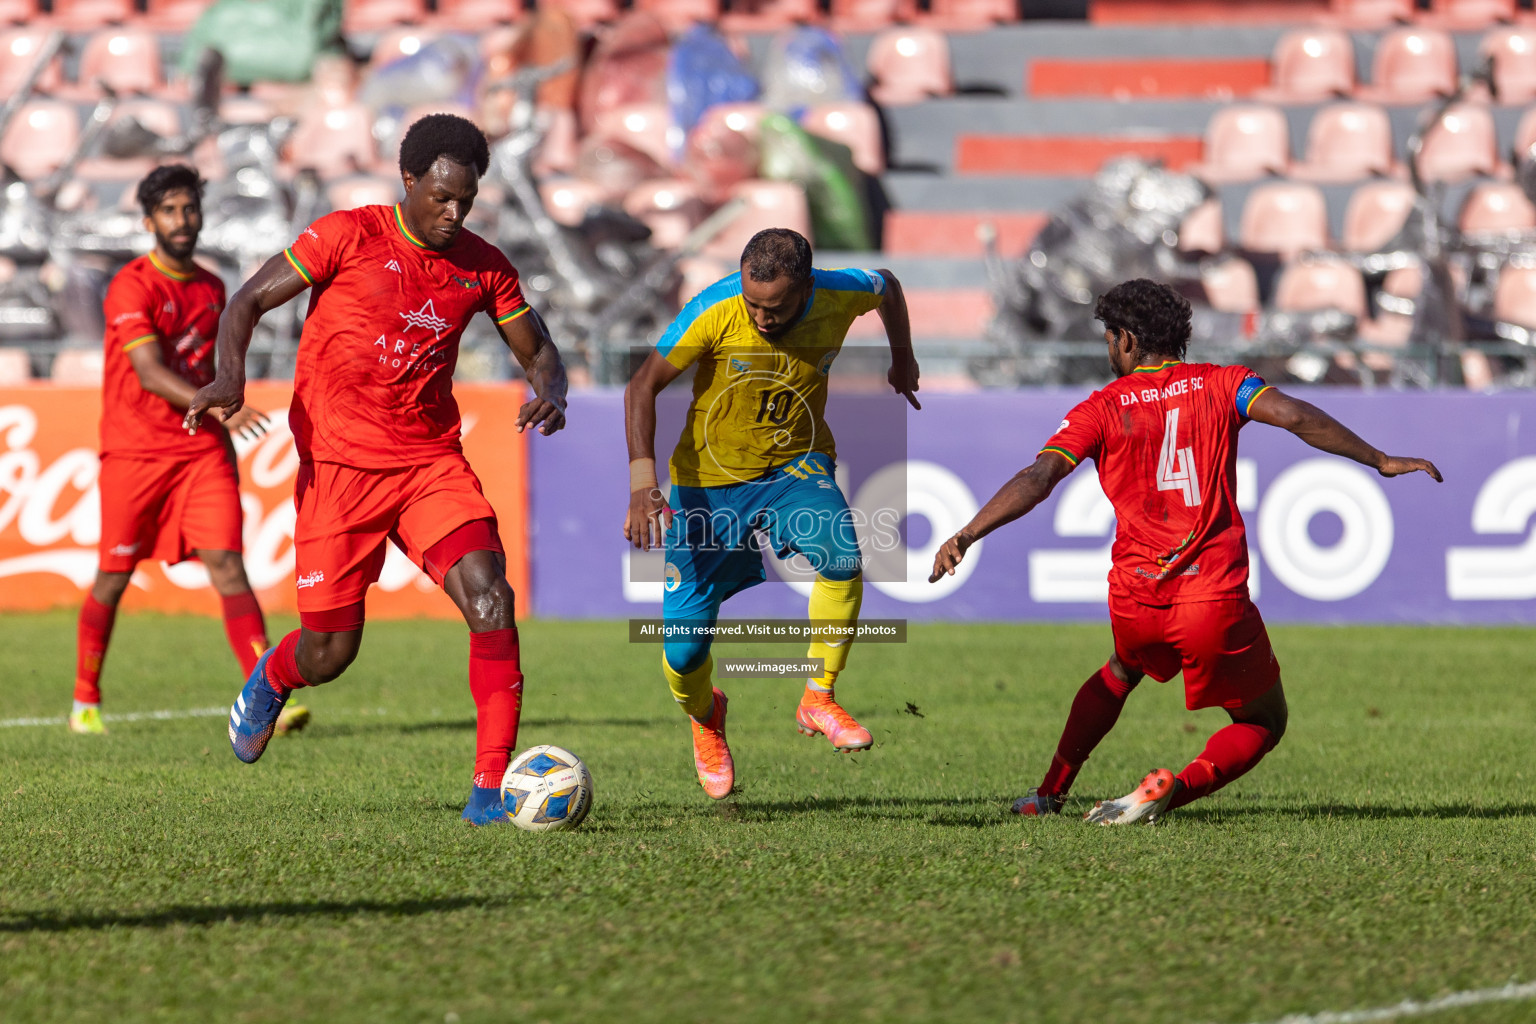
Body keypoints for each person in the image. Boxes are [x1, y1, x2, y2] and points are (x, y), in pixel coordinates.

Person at [929, 279, 1442, 824]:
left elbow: (1039, 477)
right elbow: (1295, 417)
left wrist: (965, 535)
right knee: (1264, 722)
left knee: (1121, 671)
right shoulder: (1228, 385)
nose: (1109, 349)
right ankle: (1174, 789)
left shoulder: (1100, 408)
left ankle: (1048, 794)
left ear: (1126, 340)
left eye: (1109, 337)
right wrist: (1380, 459)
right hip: (1211, 597)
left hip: (1135, 600)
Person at [184, 114, 568, 826]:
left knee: (490, 598)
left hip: (428, 465)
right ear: (410, 181)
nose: (453, 213)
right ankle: (271, 677)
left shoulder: (484, 265)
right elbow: (247, 302)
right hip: (339, 470)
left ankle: (490, 793)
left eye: (467, 200)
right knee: (330, 653)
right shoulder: (346, 235)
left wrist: (551, 389)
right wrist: (230, 379)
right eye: (442, 197)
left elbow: (536, 345)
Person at [623, 228, 921, 799]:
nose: (760, 317)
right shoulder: (714, 309)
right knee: (683, 657)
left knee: (842, 556)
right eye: (752, 303)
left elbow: (890, 287)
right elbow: (642, 387)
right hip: (707, 485)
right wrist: (642, 481)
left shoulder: (843, 291)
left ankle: (818, 696)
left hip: (794, 465)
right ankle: (707, 719)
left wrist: (901, 358)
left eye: (775, 307)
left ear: (806, 287)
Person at [70, 165, 301, 736]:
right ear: (149, 221)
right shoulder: (131, 285)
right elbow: (148, 372)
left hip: (200, 451)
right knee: (115, 574)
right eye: (169, 211)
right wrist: (222, 404)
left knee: (227, 562)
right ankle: (85, 699)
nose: (182, 220)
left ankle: (266, 695)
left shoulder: (212, 285)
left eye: (189, 208)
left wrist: (218, 406)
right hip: (136, 451)